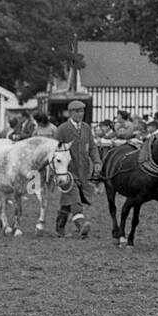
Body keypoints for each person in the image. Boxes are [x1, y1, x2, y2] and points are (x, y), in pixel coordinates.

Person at [53, 99, 100, 238]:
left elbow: (92, 147)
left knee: (68, 199)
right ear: (71, 112)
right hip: (67, 171)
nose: (81, 114)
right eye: (78, 111)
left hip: (83, 171)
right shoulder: (62, 129)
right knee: (74, 196)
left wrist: (97, 161)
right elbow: (55, 150)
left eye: (82, 111)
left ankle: (59, 226)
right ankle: (81, 223)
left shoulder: (86, 128)